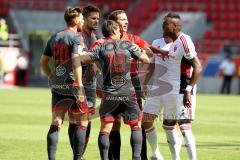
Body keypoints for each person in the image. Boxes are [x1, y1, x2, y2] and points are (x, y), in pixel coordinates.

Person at [80, 19, 150, 160]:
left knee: (105, 129)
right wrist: (138, 51)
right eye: (119, 30)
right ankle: (136, 158)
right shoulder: (128, 44)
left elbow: (82, 60)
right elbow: (146, 59)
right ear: (114, 31)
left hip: (109, 94)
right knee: (135, 125)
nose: (121, 32)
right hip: (127, 93)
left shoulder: (100, 46)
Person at [143, 12, 202, 160]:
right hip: (165, 88)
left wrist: (188, 90)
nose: (162, 26)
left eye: (165, 24)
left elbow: (198, 66)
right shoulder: (174, 43)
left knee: (184, 126)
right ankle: (172, 157)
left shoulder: (184, 40)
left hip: (182, 87)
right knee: (166, 125)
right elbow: (169, 56)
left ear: (175, 27)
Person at [40, 7, 88, 160]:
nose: (82, 21)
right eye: (81, 18)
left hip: (58, 85)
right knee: (81, 122)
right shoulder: (76, 38)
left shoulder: (55, 37)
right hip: (73, 85)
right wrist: (80, 86)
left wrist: (51, 76)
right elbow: (76, 62)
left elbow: (43, 62)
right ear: (75, 20)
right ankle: (78, 157)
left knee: (56, 121)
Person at [67, 5, 100, 159]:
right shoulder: (79, 37)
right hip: (79, 84)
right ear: (84, 19)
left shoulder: (94, 36)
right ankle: (77, 156)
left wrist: (97, 64)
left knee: (87, 121)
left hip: (91, 85)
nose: (96, 21)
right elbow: (76, 60)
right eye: (93, 18)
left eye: (98, 19)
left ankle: (80, 155)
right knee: (78, 121)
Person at [142, 34, 173, 160]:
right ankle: (156, 153)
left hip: (174, 89)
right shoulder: (156, 41)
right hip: (157, 87)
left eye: (169, 26)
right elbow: (153, 64)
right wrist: (145, 82)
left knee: (171, 124)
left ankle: (175, 156)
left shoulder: (180, 43)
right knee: (146, 120)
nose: (166, 29)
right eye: (164, 26)